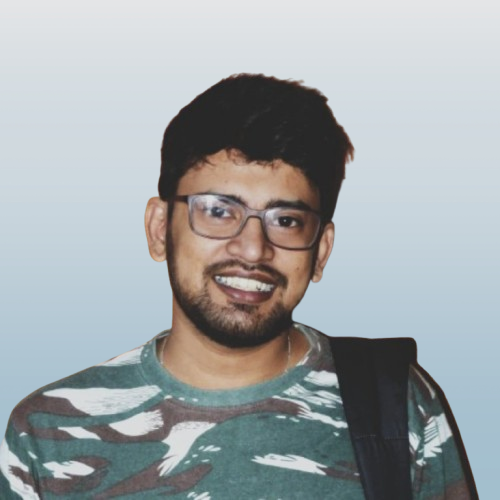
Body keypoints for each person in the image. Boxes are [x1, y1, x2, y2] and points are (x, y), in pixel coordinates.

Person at [0, 74, 475, 499]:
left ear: (321, 250)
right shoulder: (47, 434)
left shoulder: (393, 405)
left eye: (286, 220)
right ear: (160, 228)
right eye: (219, 211)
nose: (252, 249)